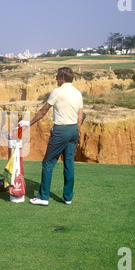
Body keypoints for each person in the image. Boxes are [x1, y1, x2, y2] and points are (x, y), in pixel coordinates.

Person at [19, 67, 83, 206]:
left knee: (48, 163)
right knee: (69, 164)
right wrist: (75, 131)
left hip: (61, 131)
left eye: (57, 78)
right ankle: (67, 198)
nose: (56, 80)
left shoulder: (57, 92)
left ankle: (43, 197)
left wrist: (29, 123)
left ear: (62, 78)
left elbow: (43, 111)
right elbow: (80, 115)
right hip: (73, 130)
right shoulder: (78, 93)